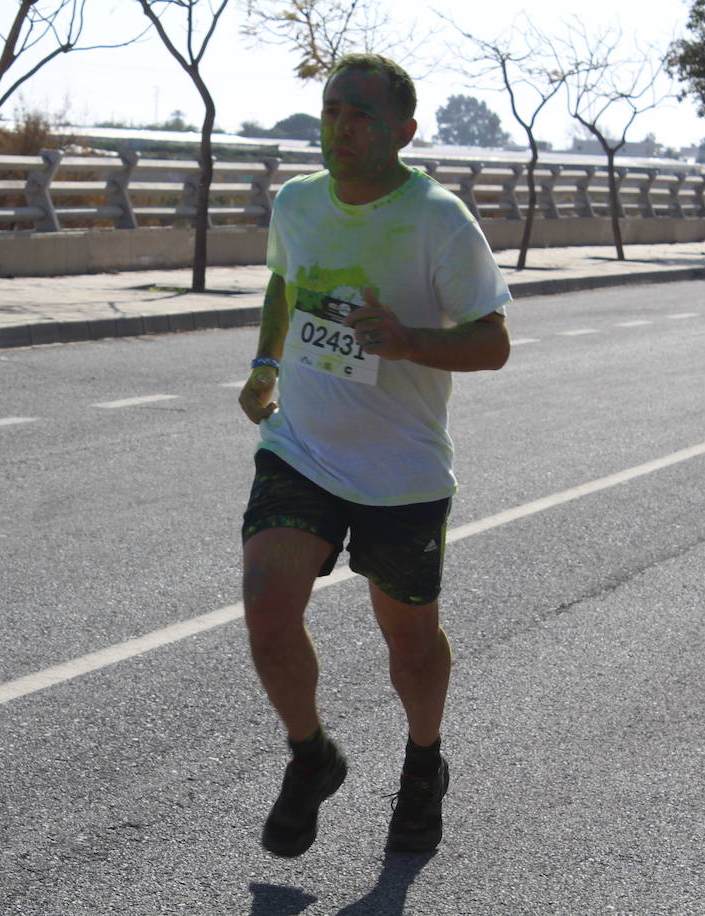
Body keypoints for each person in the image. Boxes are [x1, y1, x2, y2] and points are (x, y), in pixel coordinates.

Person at [238, 53, 512, 858]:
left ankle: (423, 763)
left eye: (359, 114)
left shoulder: (438, 218)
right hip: (302, 451)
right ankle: (311, 754)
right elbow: (283, 286)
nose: (341, 127)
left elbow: (493, 343)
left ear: (403, 131)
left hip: (401, 473)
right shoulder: (296, 202)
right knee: (265, 607)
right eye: (330, 110)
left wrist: (408, 340)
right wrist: (264, 364)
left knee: (410, 642)